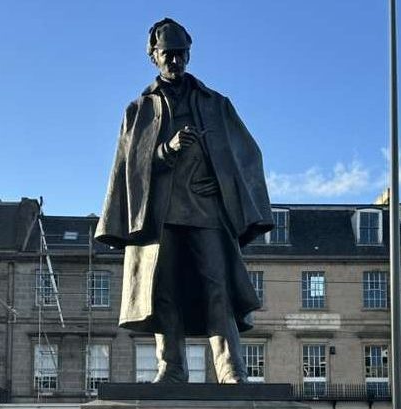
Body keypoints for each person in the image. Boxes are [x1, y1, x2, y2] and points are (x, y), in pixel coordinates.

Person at [95, 18, 273, 383]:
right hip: (159, 216)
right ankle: (172, 368)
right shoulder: (139, 109)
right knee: (164, 291)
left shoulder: (216, 104)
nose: (175, 62)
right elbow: (128, 167)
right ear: (154, 57)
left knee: (218, 287)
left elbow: (247, 156)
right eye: (168, 55)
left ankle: (230, 369)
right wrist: (165, 150)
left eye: (181, 55)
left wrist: (222, 181)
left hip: (206, 212)